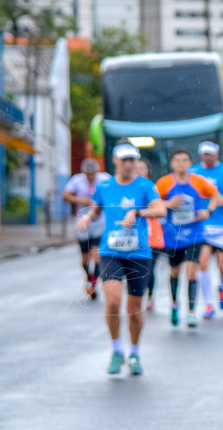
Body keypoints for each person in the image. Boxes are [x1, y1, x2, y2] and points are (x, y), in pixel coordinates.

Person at [76, 143, 165, 375]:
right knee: (113, 301)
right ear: (115, 161)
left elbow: (161, 210)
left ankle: (134, 353)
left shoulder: (145, 186)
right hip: (111, 252)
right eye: (124, 160)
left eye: (132, 160)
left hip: (139, 254)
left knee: (134, 309)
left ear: (136, 162)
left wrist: (137, 212)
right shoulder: (104, 186)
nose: (129, 164)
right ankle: (117, 350)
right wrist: (87, 219)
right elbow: (96, 209)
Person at [155, 150, 223, 328]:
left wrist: (208, 210)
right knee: (175, 272)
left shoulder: (198, 181)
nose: (181, 163)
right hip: (172, 236)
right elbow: (152, 203)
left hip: (195, 234)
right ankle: (174, 305)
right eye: (177, 160)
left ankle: (192, 312)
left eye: (185, 160)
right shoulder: (164, 183)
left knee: (192, 272)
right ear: (172, 164)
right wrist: (167, 204)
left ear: (190, 163)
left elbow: (217, 196)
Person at [189, 141, 223, 319]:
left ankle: (222, 287)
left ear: (217, 154)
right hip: (202, 225)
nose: (207, 157)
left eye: (210, 154)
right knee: (202, 262)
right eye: (204, 154)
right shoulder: (193, 173)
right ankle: (208, 305)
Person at [63, 158, 111, 299]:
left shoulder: (105, 179)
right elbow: (65, 196)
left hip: (100, 222)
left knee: (96, 254)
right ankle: (89, 277)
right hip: (82, 223)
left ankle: (93, 282)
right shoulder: (77, 181)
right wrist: (81, 200)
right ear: (84, 172)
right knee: (85, 258)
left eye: (93, 174)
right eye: (88, 174)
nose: (91, 177)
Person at [136, 160, 166, 311]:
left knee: (149, 269)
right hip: (133, 235)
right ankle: (136, 295)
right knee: (136, 268)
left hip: (152, 235)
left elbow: (161, 208)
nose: (139, 171)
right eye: (137, 168)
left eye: (142, 168)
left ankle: (150, 296)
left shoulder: (151, 188)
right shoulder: (129, 188)